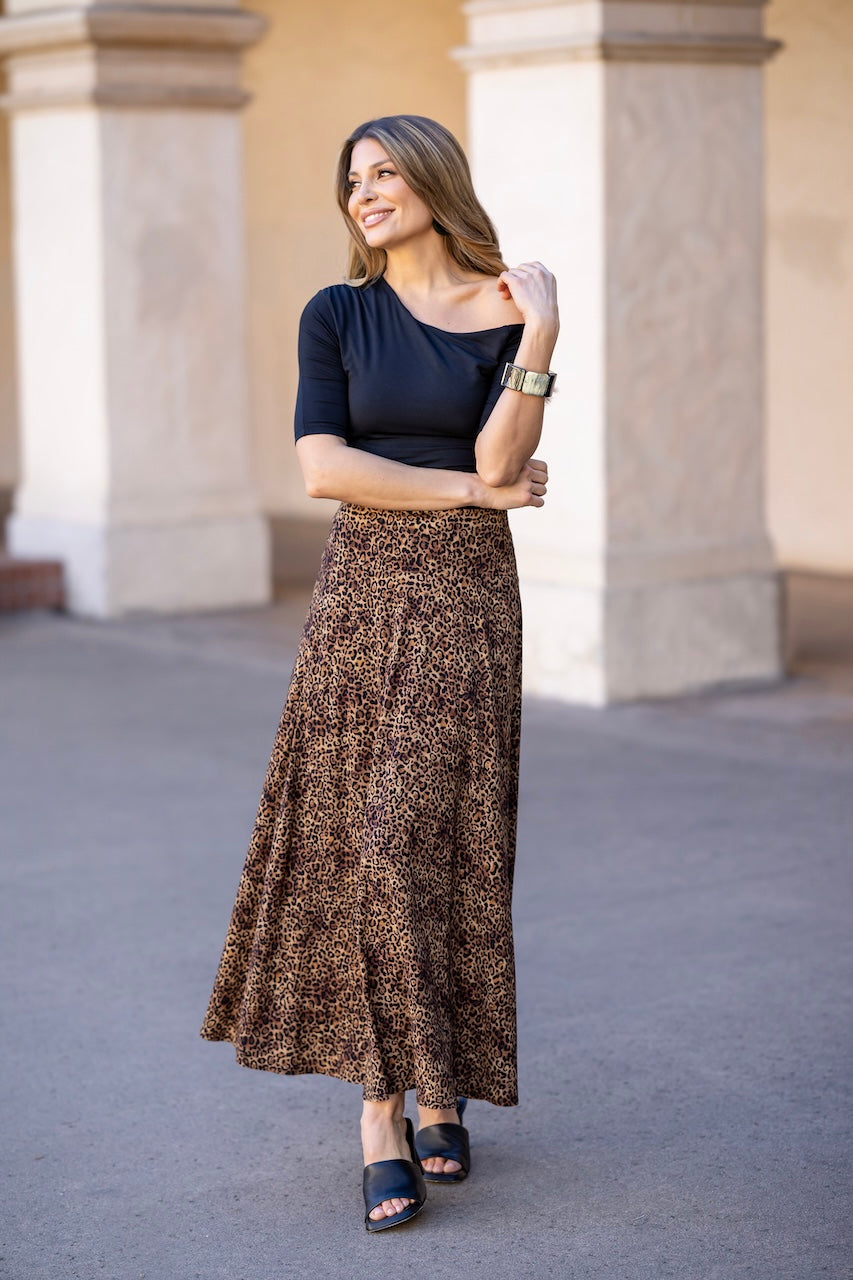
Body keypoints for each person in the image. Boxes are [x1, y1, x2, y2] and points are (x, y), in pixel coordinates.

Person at [200, 113, 559, 1232]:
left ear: (434, 181)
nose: (364, 192)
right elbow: (325, 468)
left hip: (465, 602)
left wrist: (542, 329)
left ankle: (442, 1086)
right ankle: (381, 1109)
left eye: (385, 171)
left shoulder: (505, 309)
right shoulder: (338, 313)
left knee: (438, 832)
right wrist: (462, 489)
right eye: (351, 177)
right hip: (361, 594)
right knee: (371, 841)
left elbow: (506, 454)